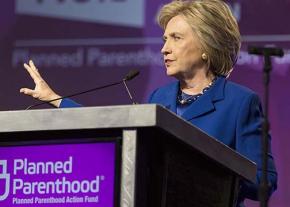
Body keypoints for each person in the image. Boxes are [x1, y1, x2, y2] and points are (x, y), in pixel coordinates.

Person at [20, 0, 277, 206]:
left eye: (176, 38)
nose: (164, 48)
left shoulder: (240, 102)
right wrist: (57, 100)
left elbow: (264, 181)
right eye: (165, 39)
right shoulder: (159, 97)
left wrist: (206, 175)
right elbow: (115, 128)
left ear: (205, 46)